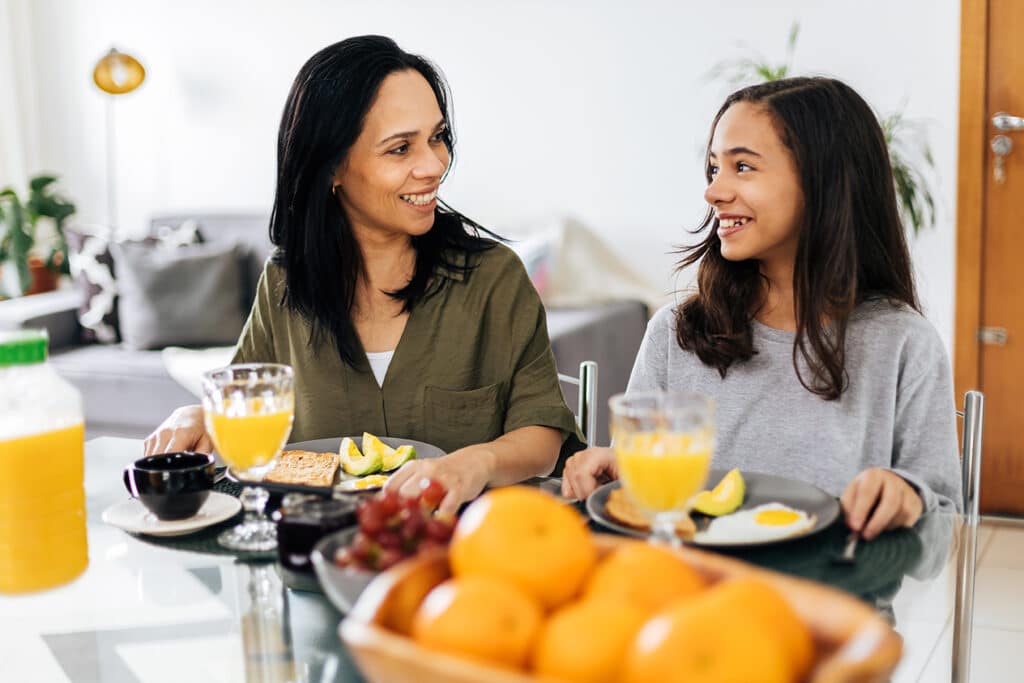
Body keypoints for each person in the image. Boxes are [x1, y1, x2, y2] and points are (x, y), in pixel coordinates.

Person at [144, 36, 582, 513]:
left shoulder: (495, 279)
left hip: (461, 554)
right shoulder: (284, 283)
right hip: (312, 554)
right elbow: (245, 402)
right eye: (400, 149)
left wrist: (476, 462)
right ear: (331, 167)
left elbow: (542, 435)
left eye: (437, 137)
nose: (434, 165)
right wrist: (197, 413)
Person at [561, 77, 962, 540]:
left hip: (834, 604)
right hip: (690, 598)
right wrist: (612, 473)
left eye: (743, 167)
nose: (714, 192)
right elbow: (642, 500)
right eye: (713, 169)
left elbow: (945, 528)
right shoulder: (675, 334)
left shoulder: (903, 344)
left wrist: (907, 496)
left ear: (824, 182)